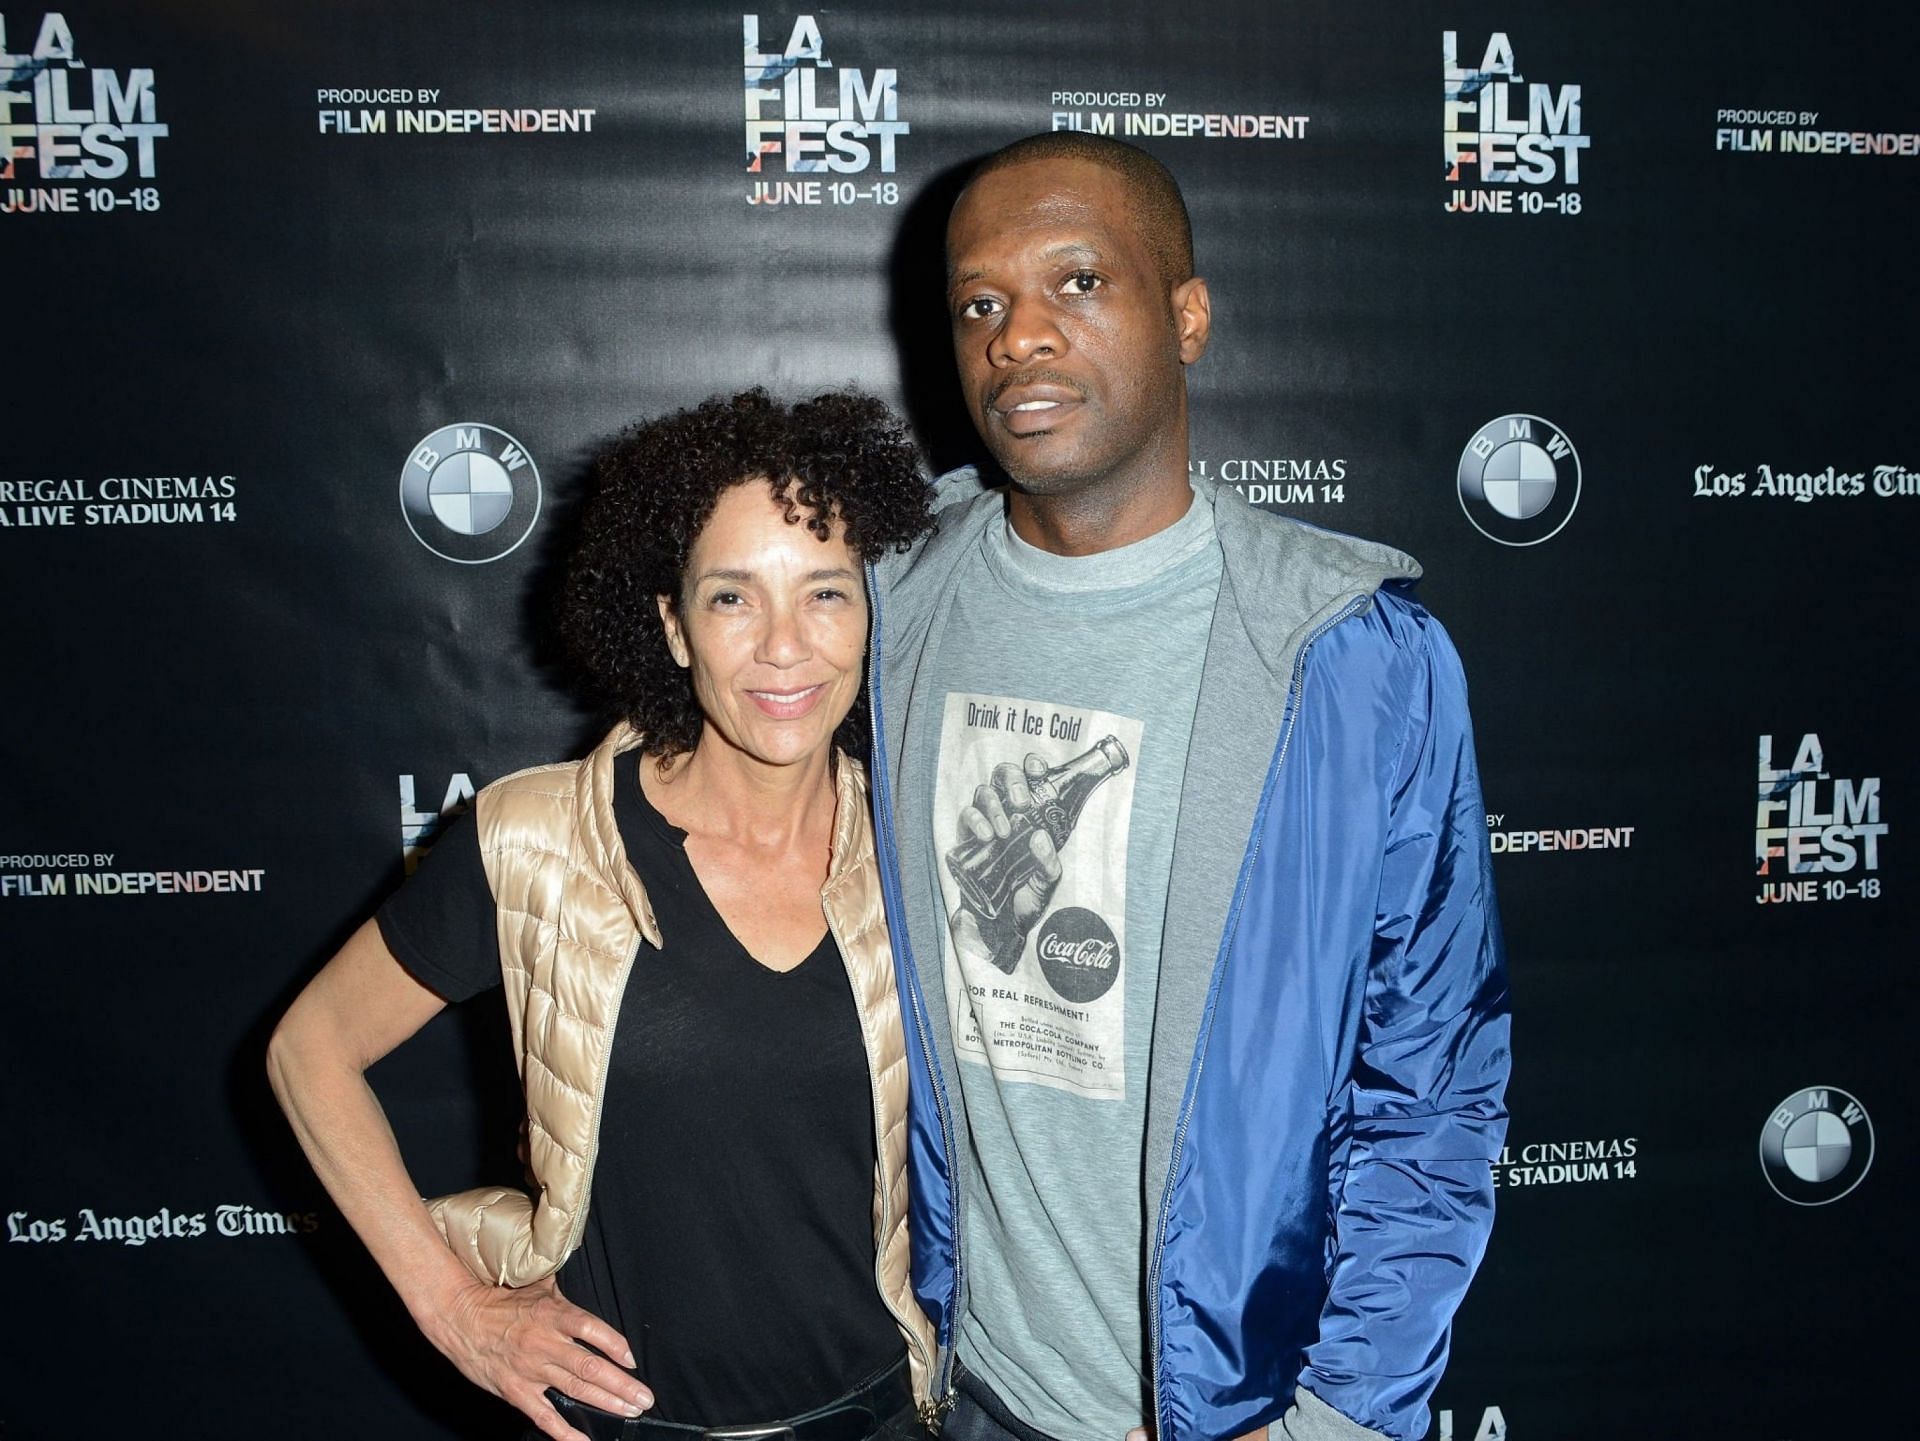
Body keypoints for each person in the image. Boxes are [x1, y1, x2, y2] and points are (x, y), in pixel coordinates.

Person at [867, 134, 1511, 1441]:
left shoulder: (1357, 660)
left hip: (1236, 1414)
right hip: (962, 1391)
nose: (1018, 337)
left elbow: (1435, 1086)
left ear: (1189, 316)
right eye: (980, 303)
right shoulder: (884, 597)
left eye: (1079, 282)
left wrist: (1337, 1415)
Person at [268, 389, 937, 1441]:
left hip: (881, 1419)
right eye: (731, 598)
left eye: (826, 594)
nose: (783, 646)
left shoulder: (922, 851)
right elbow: (310, 1051)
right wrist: (451, 1308)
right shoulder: (537, 839)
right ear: (672, 625)